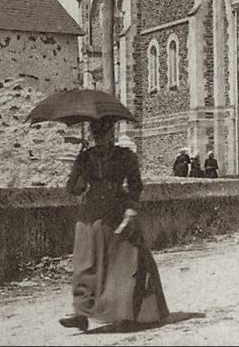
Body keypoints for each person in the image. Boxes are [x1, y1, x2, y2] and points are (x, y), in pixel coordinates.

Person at [60, 117, 169, 332]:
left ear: (113, 133)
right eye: (96, 135)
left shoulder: (125, 156)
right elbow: (73, 189)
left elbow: (136, 186)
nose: (101, 139)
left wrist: (130, 208)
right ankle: (81, 313)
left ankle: (128, 312)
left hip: (119, 211)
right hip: (92, 214)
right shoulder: (85, 157)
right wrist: (78, 168)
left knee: (126, 262)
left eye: (105, 134)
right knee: (85, 262)